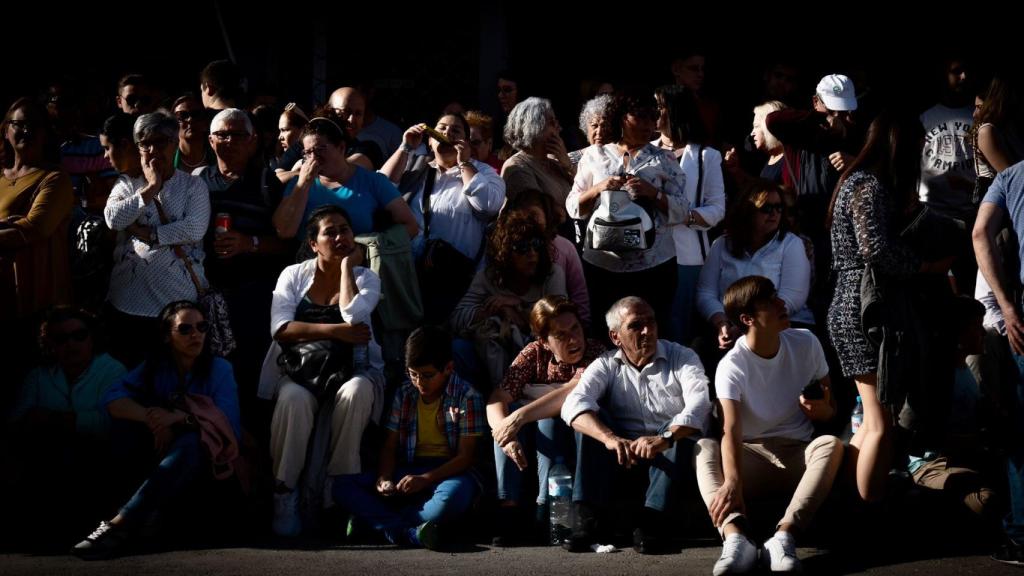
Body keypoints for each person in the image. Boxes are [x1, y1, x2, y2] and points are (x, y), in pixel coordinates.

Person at [828, 110, 950, 503]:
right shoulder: (870, 185)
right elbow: (876, 250)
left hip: (848, 301)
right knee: (879, 420)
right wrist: (927, 266)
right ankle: (869, 512)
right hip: (863, 305)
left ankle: (852, 499)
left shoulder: (853, 181)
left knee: (869, 416)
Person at [694, 276, 842, 575]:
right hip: (752, 456)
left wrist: (822, 411)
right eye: (770, 301)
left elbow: (832, 410)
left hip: (798, 453)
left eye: (777, 295)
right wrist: (733, 481)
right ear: (747, 318)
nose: (781, 303)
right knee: (704, 447)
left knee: (830, 444)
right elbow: (730, 429)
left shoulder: (806, 342)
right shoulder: (732, 364)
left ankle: (784, 538)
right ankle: (736, 540)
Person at [72, 301, 241, 560]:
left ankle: (117, 524)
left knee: (191, 444)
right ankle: (141, 515)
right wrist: (154, 419)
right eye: (185, 329)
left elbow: (227, 425)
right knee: (125, 431)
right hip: (162, 451)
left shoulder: (220, 369)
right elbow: (113, 401)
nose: (195, 334)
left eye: (201, 327)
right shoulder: (155, 367)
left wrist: (179, 420)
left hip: (207, 464)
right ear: (166, 335)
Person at [258, 205, 384, 537]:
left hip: (353, 369)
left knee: (357, 392)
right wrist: (334, 332)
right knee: (293, 399)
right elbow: (280, 328)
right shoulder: (293, 274)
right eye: (330, 232)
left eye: (345, 229)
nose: (340, 237)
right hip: (300, 372)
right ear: (313, 243)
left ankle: (338, 488)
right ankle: (284, 493)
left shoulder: (365, 276)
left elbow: (354, 314)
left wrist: (346, 269)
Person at [561, 297, 711, 554]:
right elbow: (572, 404)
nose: (647, 331)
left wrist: (664, 438)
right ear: (616, 336)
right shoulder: (607, 364)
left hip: (669, 456)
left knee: (678, 430)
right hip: (624, 456)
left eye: (651, 322)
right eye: (636, 325)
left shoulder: (682, 357)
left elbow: (700, 405)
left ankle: (652, 522)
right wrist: (609, 438)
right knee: (590, 421)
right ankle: (586, 518)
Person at [333, 326, 485, 550]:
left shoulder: (467, 396)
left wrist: (426, 478)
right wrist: (384, 478)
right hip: (409, 470)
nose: (419, 382)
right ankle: (408, 533)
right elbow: (389, 446)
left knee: (448, 501)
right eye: (413, 374)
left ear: (448, 368)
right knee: (342, 486)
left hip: (448, 473)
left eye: (427, 375)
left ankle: (375, 522)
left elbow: (465, 458)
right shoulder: (404, 393)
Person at [567, 92, 687, 340]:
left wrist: (652, 193)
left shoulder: (664, 158)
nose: (648, 125)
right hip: (603, 264)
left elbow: (683, 209)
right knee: (607, 333)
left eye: (652, 118)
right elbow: (572, 205)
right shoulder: (594, 155)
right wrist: (599, 188)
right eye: (640, 117)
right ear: (621, 118)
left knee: (653, 332)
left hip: (654, 264)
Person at [486, 296, 605, 545]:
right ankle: (508, 507)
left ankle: (545, 508)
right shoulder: (534, 353)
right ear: (544, 341)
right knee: (504, 424)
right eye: (561, 335)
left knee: (552, 417)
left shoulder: (596, 352)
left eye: (575, 329)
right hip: (539, 437)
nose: (573, 340)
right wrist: (505, 434)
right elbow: (497, 398)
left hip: (580, 436)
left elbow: (575, 391)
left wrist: (520, 415)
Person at [103, 111, 210, 369]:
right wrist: (149, 189)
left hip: (177, 303)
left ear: (174, 144)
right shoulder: (128, 184)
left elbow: (195, 228)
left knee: (172, 377)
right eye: (144, 143)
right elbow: (113, 219)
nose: (152, 150)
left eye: (160, 142)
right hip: (128, 301)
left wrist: (150, 234)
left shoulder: (193, 186)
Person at [381, 112, 505, 325]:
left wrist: (464, 163)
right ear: (430, 141)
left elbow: (487, 206)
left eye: (455, 130)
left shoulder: (484, 172)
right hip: (412, 275)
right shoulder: (415, 167)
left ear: (466, 143)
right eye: (441, 128)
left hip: (457, 278)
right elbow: (381, 188)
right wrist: (405, 147)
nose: (447, 133)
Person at [450, 212, 566, 393]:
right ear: (504, 252)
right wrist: (496, 310)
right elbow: (457, 318)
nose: (532, 254)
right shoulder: (488, 278)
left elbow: (560, 322)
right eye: (522, 248)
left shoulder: (551, 275)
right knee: (459, 349)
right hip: (491, 357)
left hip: (539, 358)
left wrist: (519, 309)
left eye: (536, 245)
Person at [696, 180, 813, 356]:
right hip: (727, 325)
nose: (774, 213)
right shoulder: (721, 245)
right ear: (747, 210)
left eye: (779, 207)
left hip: (780, 325)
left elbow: (792, 297)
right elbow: (705, 292)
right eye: (766, 208)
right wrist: (722, 323)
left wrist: (747, 328)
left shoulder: (791, 244)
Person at [653, 85, 726, 344]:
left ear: (675, 111)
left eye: (659, 107)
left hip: (689, 259)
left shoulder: (707, 156)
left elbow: (717, 209)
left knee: (684, 332)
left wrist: (679, 214)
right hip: (649, 258)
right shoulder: (644, 152)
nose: (653, 113)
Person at [272, 116, 417, 245]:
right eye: (308, 153)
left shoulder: (372, 181)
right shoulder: (299, 184)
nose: (314, 158)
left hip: (360, 266)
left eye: (320, 149)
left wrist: (373, 244)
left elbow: (410, 226)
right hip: (311, 267)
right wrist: (303, 184)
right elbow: (284, 231)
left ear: (341, 147)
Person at [501, 97, 575, 237]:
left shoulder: (555, 162)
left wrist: (568, 165)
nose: (559, 128)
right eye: (552, 123)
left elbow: (585, 193)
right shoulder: (517, 167)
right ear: (534, 128)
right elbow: (542, 212)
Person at [171, 94, 215, 173]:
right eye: (182, 115)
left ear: (206, 121)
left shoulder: (218, 156)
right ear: (173, 124)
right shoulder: (167, 159)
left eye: (196, 114)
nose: (190, 120)